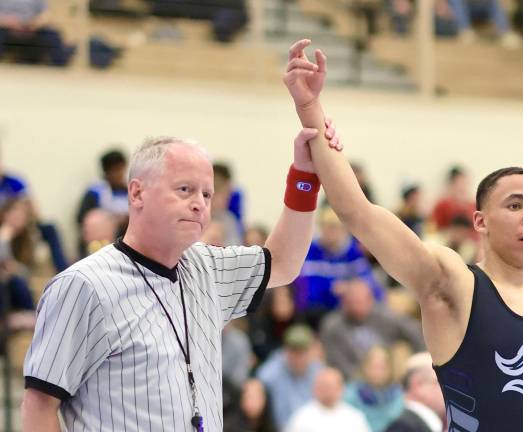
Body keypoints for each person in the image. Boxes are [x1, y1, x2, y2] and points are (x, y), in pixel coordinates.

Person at [283, 39, 523, 430]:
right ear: (480, 222)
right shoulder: (454, 283)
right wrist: (310, 108)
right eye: (515, 206)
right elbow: (358, 213)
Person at [20, 126, 342, 431]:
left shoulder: (207, 268)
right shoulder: (83, 286)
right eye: (185, 189)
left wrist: (304, 176)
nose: (199, 204)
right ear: (137, 193)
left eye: (207, 194)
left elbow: (283, 262)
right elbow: (39, 405)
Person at [286, 367, 371, 432]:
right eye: (324, 387)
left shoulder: (355, 418)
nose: (328, 392)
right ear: (315, 389)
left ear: (341, 389)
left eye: (331, 387)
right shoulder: (301, 418)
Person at [384, 352, 445, 432]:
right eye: (440, 382)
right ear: (418, 385)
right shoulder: (403, 427)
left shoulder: (409, 424)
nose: (445, 390)